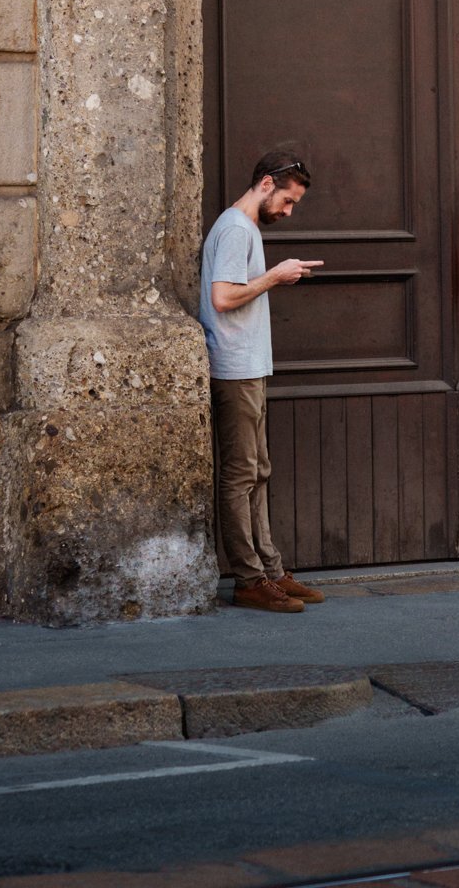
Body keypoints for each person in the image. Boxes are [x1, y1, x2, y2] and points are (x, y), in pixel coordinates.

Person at [199, 148, 325, 613]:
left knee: (258, 470)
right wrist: (275, 276)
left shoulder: (244, 227)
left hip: (249, 366)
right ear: (267, 184)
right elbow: (224, 298)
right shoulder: (235, 228)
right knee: (240, 474)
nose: (289, 212)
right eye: (288, 201)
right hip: (234, 368)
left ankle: (269, 569)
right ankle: (249, 579)